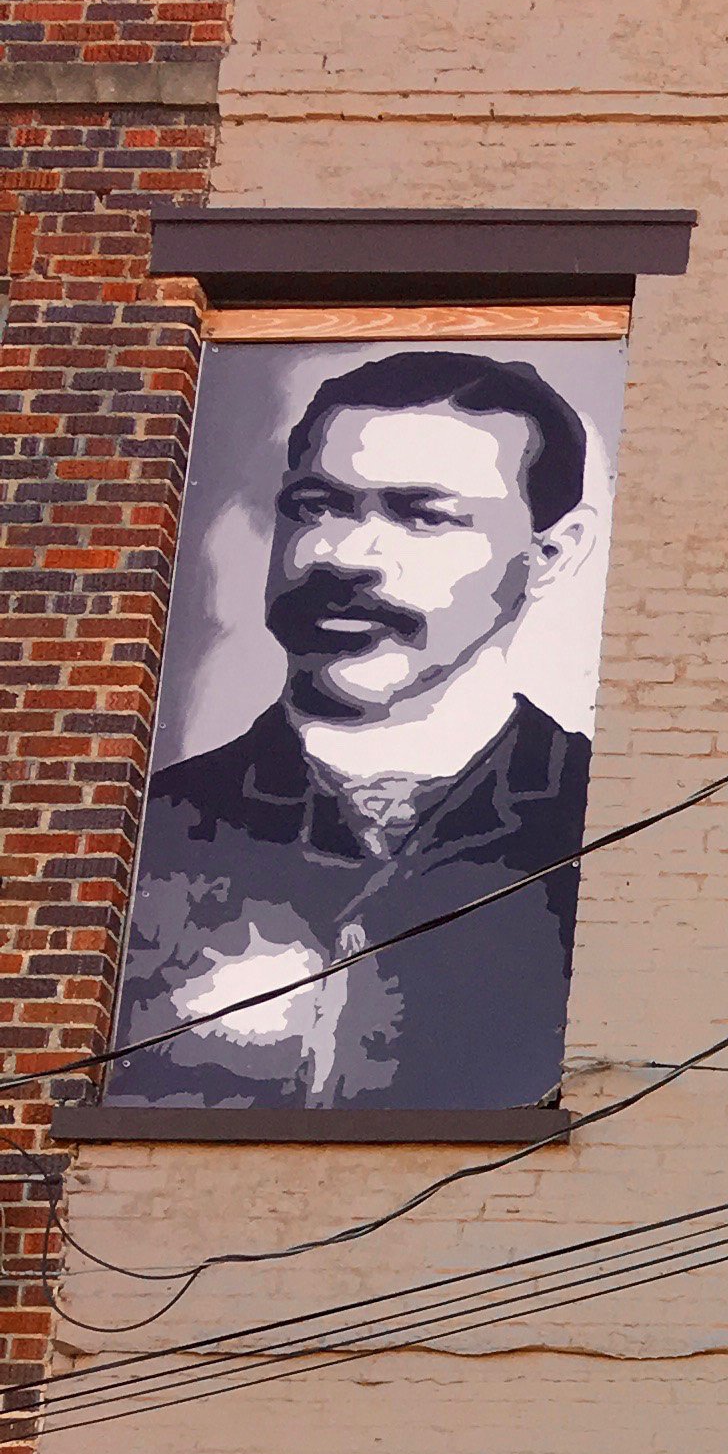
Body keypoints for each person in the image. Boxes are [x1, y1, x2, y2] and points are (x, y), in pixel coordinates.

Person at [109, 350, 601, 1110]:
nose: (341, 556)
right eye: (315, 505)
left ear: (550, 556)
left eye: (422, 515)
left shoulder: (609, 830)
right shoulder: (149, 835)